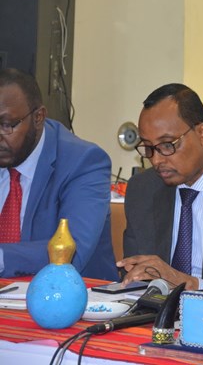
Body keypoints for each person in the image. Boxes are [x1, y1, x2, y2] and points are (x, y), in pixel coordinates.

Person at [118, 84, 203, 290]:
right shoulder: (142, 189)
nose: (156, 160)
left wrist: (191, 285)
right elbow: (134, 275)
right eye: (148, 147)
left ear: (202, 133)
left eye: (167, 145)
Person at [0, 68, 116, 280]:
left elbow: (71, 251)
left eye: (7, 125)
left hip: (75, 295)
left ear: (38, 117)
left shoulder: (84, 162)